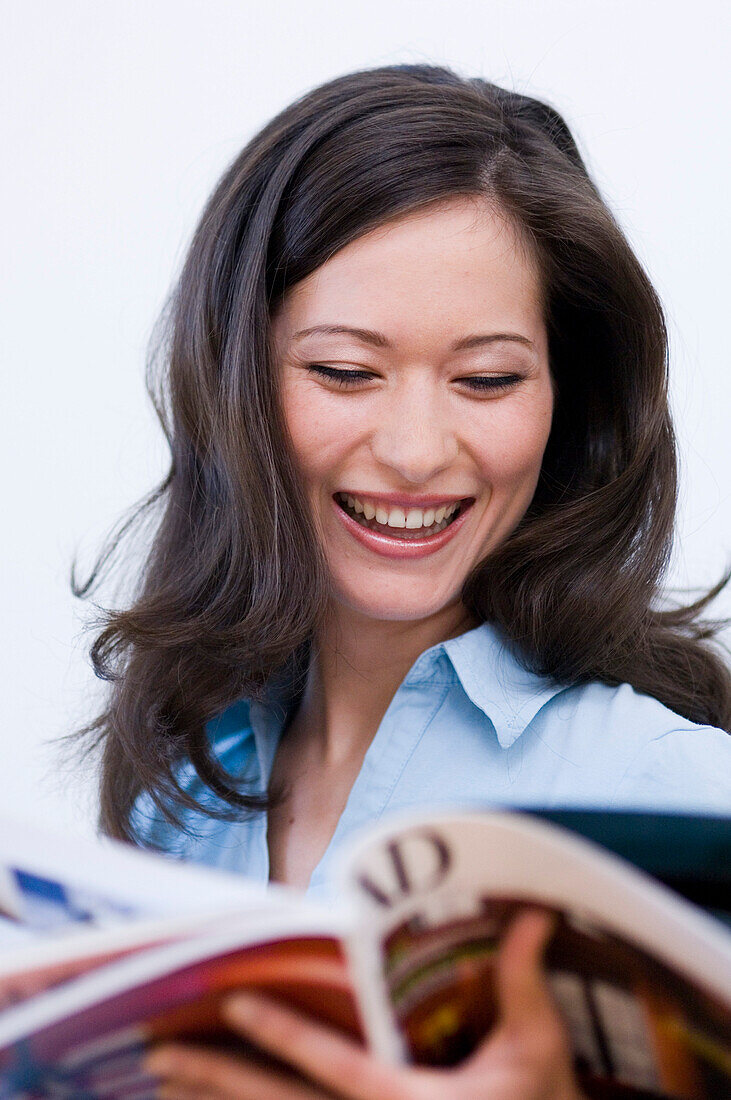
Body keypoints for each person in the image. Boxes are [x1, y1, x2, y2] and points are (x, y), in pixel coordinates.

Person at [74, 63, 730, 1098]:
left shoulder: (670, 792)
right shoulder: (185, 795)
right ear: (238, 380)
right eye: (344, 371)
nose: (417, 449)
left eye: (486, 379)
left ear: (568, 400)